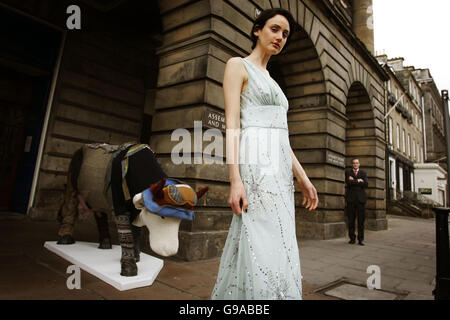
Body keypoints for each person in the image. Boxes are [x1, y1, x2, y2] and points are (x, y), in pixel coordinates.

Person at [210, 8, 319, 300]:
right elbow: (232, 123)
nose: (280, 37)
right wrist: (235, 179)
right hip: (255, 165)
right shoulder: (237, 65)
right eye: (275, 29)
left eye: (285, 34)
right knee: (256, 237)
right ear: (257, 30)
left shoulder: (273, 82)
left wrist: (303, 178)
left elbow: (284, 139)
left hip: (280, 173)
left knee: (279, 241)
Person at [345, 158, 368, 246]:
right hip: (351, 199)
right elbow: (348, 183)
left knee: (361, 221)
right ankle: (352, 238)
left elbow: (366, 184)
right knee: (351, 220)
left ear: (359, 164)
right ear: (352, 164)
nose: (355, 164)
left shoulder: (363, 173)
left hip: (361, 200)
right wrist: (359, 180)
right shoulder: (348, 172)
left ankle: (361, 239)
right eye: (354, 163)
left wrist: (353, 180)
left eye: (357, 163)